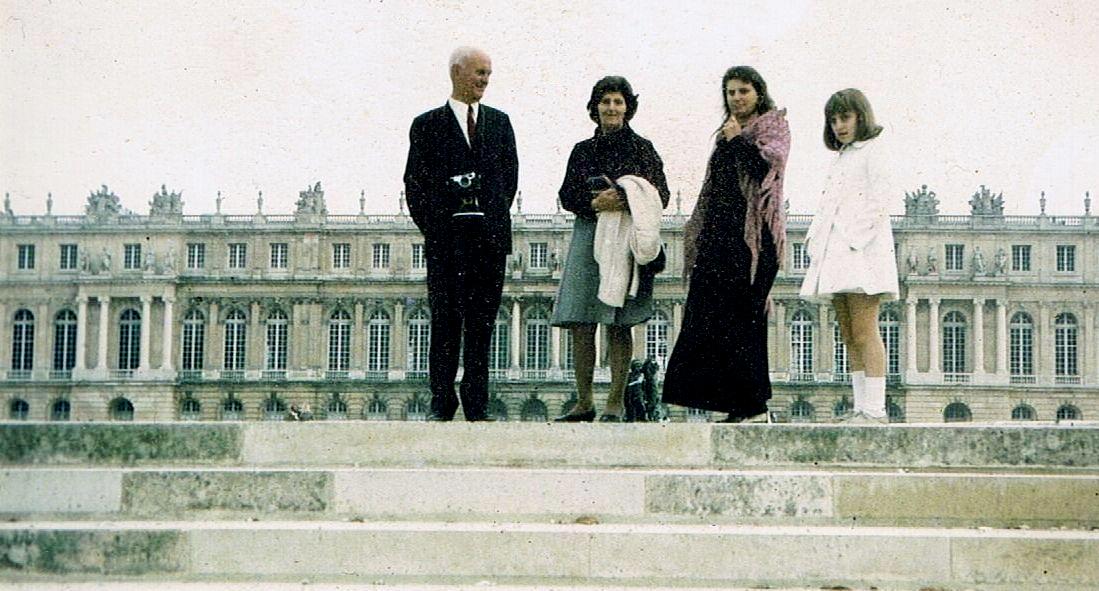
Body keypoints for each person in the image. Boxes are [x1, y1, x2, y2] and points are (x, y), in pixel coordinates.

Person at [662, 66, 790, 423]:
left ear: (758, 93)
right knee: (715, 322)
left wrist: (737, 140)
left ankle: (755, 404)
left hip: (754, 241)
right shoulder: (724, 136)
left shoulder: (772, 127)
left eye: (743, 91)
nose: (737, 97)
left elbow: (765, 171)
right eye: (731, 92)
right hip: (720, 241)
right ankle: (737, 404)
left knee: (746, 319)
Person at [403, 46, 519, 421]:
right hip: (446, 242)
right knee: (446, 322)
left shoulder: (500, 123)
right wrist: (439, 228)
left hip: (488, 241)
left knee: (482, 325)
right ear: (456, 73)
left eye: (488, 73)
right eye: (479, 72)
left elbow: (509, 179)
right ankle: (441, 401)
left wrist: (491, 213)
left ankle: (477, 403)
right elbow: (414, 185)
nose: (484, 80)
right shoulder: (427, 124)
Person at [552, 76, 670, 422]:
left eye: (618, 102)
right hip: (589, 233)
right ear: (595, 108)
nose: (611, 108)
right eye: (605, 102)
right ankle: (584, 401)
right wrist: (596, 203)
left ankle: (615, 401)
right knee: (582, 321)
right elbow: (566, 195)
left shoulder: (643, 148)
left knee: (620, 322)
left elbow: (660, 193)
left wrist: (624, 197)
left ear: (627, 107)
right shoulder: (582, 150)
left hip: (627, 237)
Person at [799, 88, 899, 423]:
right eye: (834, 119)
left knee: (865, 330)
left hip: (861, 252)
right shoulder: (844, 156)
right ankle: (860, 407)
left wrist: (854, 239)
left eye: (845, 117)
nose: (839, 125)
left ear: (860, 117)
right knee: (847, 331)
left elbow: (880, 199)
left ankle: (875, 409)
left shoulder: (874, 150)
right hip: (838, 252)